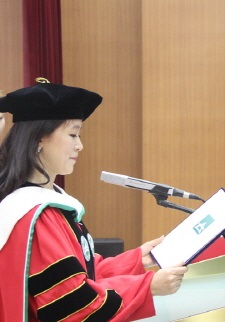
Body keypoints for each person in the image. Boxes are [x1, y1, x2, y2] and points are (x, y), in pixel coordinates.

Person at [0, 78, 188, 322]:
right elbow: (72, 305)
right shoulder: (34, 215)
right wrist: (147, 287)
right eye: (73, 134)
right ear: (39, 139)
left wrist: (137, 258)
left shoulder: (51, 201)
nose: (80, 145)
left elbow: (80, 271)